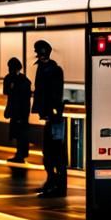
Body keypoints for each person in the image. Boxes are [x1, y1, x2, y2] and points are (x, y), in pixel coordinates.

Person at [32, 39, 66, 197]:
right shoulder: (46, 68)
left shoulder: (51, 70)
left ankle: (56, 185)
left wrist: (50, 111)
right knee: (49, 152)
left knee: (54, 152)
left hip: (53, 117)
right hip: (49, 116)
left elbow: (52, 93)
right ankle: (51, 181)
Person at [2, 57, 32, 163]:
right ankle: (21, 154)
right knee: (19, 133)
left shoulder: (22, 81)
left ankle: (20, 154)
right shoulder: (22, 80)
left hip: (20, 111)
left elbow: (9, 92)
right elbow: (7, 91)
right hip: (18, 110)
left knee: (20, 133)